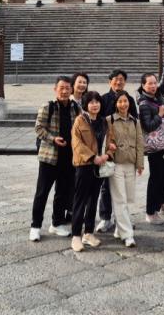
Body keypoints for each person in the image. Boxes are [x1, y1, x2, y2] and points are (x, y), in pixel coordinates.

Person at [30, 76, 81, 242]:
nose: (64, 91)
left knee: (62, 192)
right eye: (61, 88)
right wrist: (53, 139)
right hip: (50, 157)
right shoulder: (48, 106)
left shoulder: (76, 107)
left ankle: (57, 223)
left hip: (68, 157)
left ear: (72, 90)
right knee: (42, 192)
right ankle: (35, 226)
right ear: (55, 89)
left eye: (67, 88)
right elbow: (38, 128)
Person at [137, 46, 164, 223]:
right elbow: (148, 126)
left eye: (154, 83)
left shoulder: (157, 95)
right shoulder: (144, 103)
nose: (153, 86)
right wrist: (159, 115)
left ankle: (160, 203)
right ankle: (150, 212)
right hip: (154, 148)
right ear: (143, 86)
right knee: (156, 179)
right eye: (149, 83)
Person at [70, 91, 111, 252]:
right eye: (91, 102)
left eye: (97, 101)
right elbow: (77, 143)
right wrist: (93, 157)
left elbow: (111, 141)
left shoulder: (103, 121)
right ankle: (76, 236)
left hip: (100, 165)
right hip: (84, 164)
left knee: (93, 199)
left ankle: (88, 233)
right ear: (86, 105)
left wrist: (107, 154)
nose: (95, 105)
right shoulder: (80, 120)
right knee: (80, 200)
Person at [97, 69, 137, 232]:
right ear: (110, 82)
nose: (119, 82)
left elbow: (135, 122)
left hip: (125, 149)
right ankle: (105, 218)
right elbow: (99, 121)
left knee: (124, 187)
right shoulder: (103, 99)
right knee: (106, 184)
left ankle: (123, 219)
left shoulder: (130, 99)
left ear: (125, 82)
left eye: (121, 79)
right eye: (116, 79)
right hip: (109, 148)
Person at [106, 91, 145, 247]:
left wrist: (140, 163)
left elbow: (140, 143)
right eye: (120, 101)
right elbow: (105, 140)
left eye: (126, 101)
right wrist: (109, 146)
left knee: (129, 198)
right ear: (116, 104)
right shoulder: (109, 120)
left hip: (131, 163)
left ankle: (119, 227)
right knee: (120, 199)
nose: (123, 104)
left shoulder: (135, 121)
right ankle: (128, 235)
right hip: (116, 164)